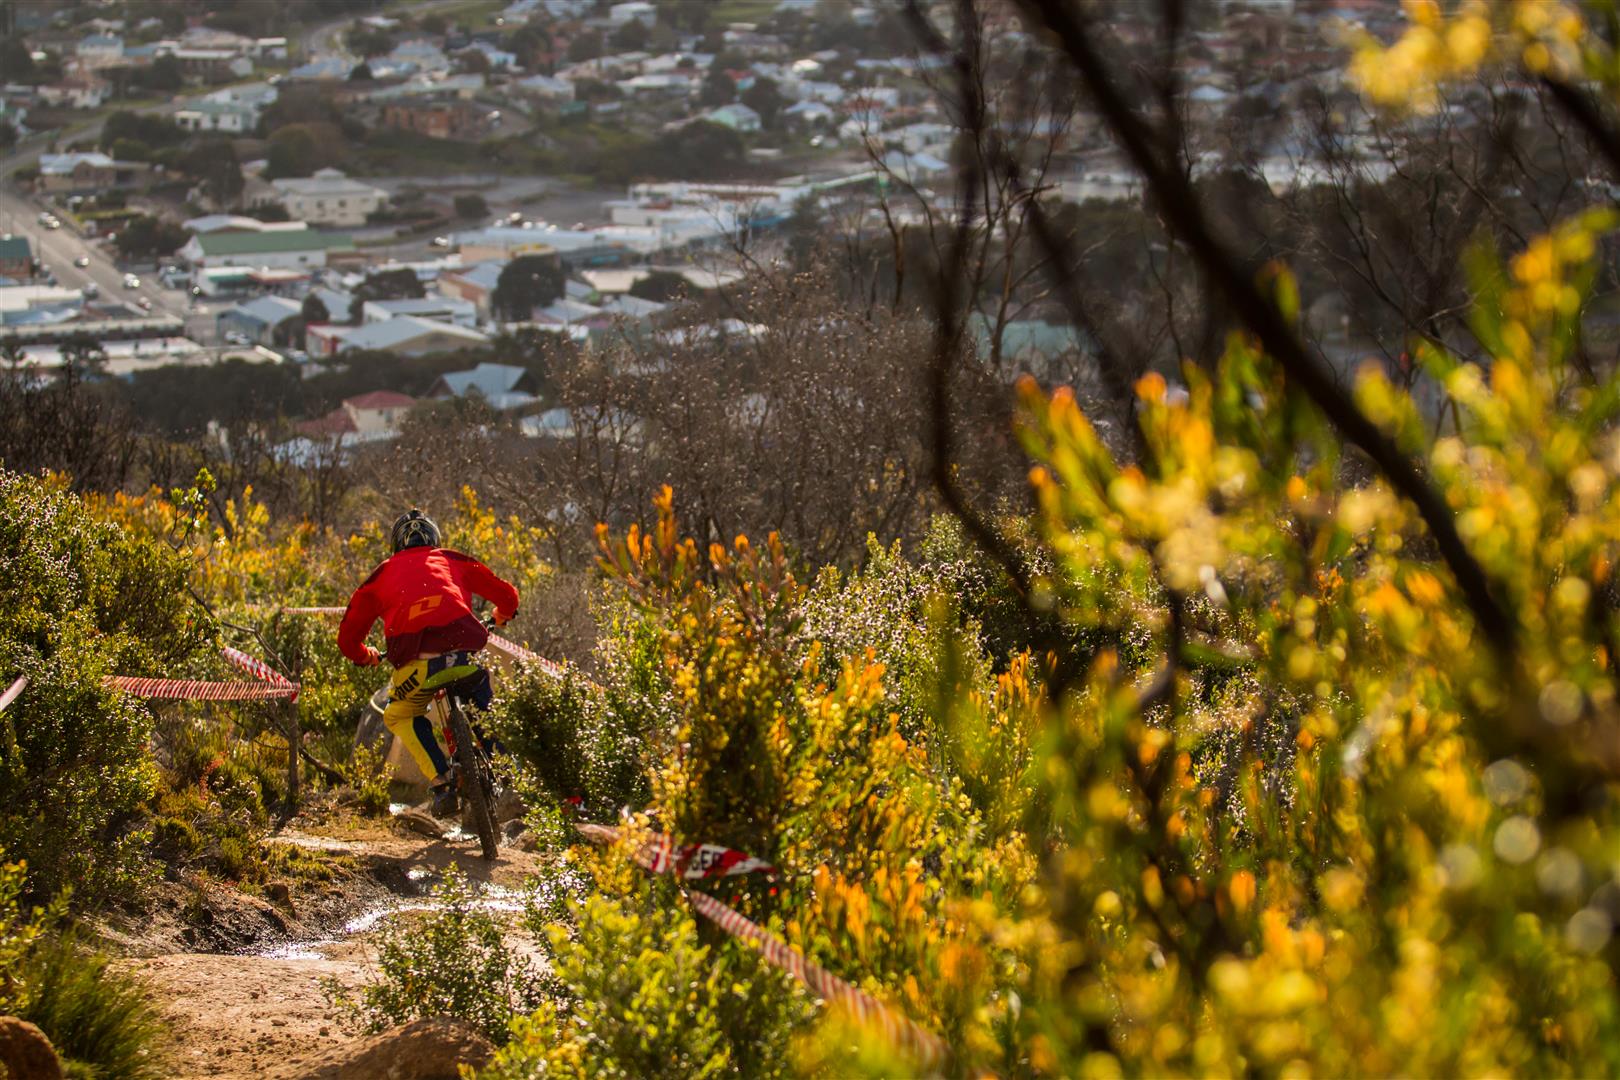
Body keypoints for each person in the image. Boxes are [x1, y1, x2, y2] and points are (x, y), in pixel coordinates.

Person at [339, 509, 519, 817]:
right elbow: (507, 595)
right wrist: (501, 615)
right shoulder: (449, 558)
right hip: (463, 657)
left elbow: (347, 639)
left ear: (396, 545)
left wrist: (365, 655)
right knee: (483, 704)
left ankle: (441, 782)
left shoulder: (381, 575)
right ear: (434, 538)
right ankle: (508, 771)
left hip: (418, 671)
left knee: (397, 715)